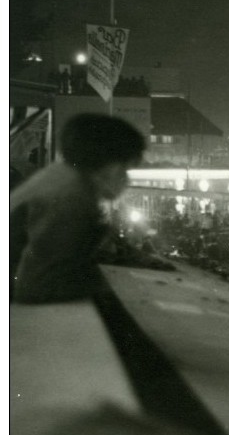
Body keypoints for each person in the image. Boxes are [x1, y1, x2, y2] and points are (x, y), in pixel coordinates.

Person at [10, 113, 146, 304]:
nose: (125, 179)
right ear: (107, 164)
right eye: (124, 168)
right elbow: (43, 282)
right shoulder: (72, 197)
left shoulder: (62, 178)